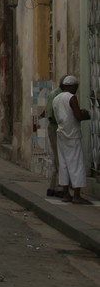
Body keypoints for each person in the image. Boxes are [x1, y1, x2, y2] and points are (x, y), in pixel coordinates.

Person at [52, 74, 91, 204]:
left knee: (63, 164)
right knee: (76, 164)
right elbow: (78, 116)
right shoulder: (72, 98)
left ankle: (65, 194)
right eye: (76, 87)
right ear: (72, 86)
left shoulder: (56, 99)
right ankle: (77, 195)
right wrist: (86, 114)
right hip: (72, 135)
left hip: (61, 134)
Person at [45, 77, 64, 197]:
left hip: (55, 127)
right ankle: (58, 188)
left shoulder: (56, 94)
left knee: (57, 157)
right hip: (55, 127)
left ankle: (52, 187)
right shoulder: (57, 95)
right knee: (58, 158)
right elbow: (51, 115)